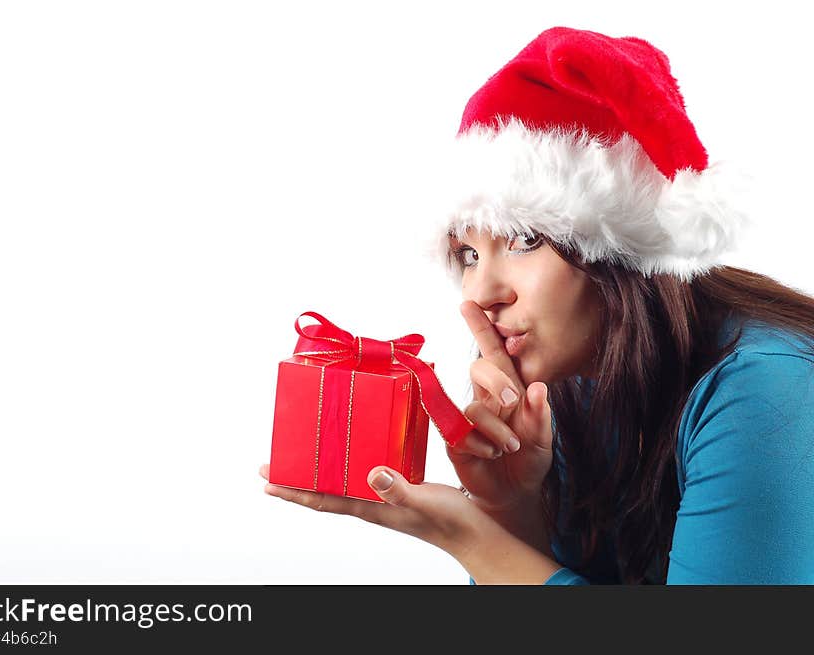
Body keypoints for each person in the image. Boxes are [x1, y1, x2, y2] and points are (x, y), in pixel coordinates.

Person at [259, 26, 814, 584]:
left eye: (525, 240)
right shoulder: (572, 387)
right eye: (468, 253)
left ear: (620, 246)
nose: (480, 293)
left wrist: (471, 539)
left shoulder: (765, 389)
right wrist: (512, 507)